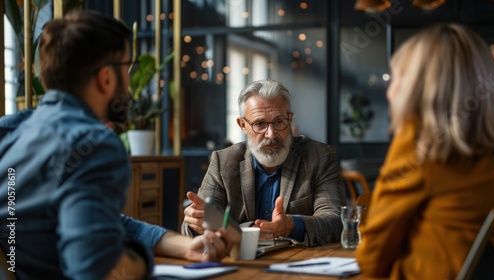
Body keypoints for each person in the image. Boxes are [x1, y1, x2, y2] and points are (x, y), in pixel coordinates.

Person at [0, 10, 230, 280]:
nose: (130, 84)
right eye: (126, 68)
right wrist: (142, 263)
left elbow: (93, 223)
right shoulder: (93, 144)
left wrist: (186, 246)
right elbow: (91, 267)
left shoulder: (9, 131)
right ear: (106, 78)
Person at [356, 23, 494, 279]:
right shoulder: (490, 153)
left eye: (397, 78)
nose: (389, 93)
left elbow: (372, 258)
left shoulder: (421, 142)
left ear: (420, 87)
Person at [181, 79, 347, 246]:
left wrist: (291, 225)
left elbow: (336, 221)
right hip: (242, 263)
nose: (271, 134)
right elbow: (194, 227)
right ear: (242, 125)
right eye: (259, 124)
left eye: (279, 122)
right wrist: (197, 223)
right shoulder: (223, 161)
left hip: (300, 262)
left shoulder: (319, 157)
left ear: (289, 120)